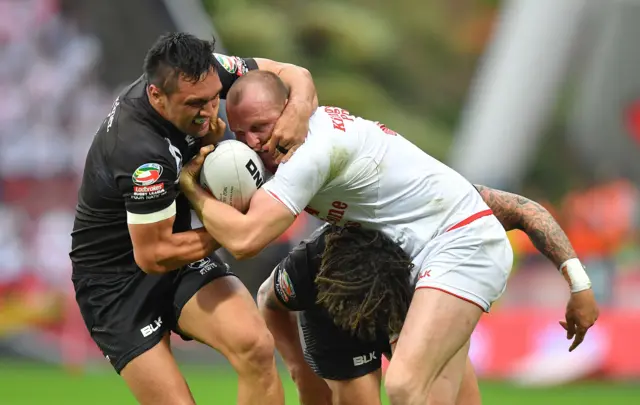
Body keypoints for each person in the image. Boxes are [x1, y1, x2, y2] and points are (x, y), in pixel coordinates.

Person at [178, 70, 599, 405]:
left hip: (462, 246)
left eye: (261, 127)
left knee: (403, 386)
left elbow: (246, 240)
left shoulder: (314, 152)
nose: (255, 143)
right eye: (242, 132)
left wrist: (190, 188)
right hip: (423, 256)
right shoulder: (302, 138)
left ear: (290, 111)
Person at [69, 33, 316, 405]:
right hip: (115, 286)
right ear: (157, 96)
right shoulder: (140, 150)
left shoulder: (204, 72)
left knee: (256, 347)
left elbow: (294, 73)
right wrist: (234, 224)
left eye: (213, 98)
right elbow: (153, 254)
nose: (209, 112)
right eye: (194, 105)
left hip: (181, 261)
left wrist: (296, 114)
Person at [256, 185, 594, 405]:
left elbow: (525, 210)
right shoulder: (305, 267)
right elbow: (266, 300)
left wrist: (578, 283)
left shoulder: (431, 203)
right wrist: (299, 368)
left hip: (410, 294)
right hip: (333, 321)